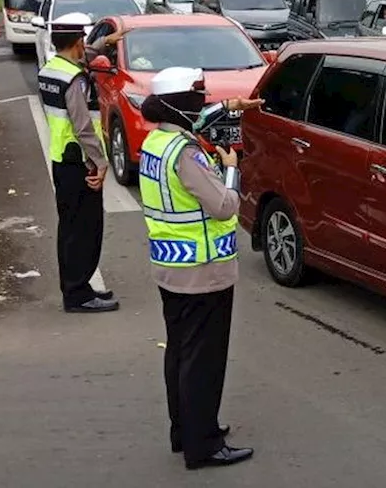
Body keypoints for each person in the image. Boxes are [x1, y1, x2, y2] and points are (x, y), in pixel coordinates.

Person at [138, 67, 262, 471]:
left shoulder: (159, 141)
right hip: (202, 271)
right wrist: (231, 166)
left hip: (171, 267)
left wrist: (230, 107)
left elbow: (200, 119)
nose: (202, 105)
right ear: (180, 105)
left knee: (180, 353)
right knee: (204, 362)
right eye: (197, 99)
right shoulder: (187, 154)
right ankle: (203, 445)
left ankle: (185, 430)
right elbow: (225, 206)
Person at [36, 13, 129, 313]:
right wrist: (100, 164)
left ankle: (77, 286)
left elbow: (83, 55)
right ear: (77, 42)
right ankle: (78, 295)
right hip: (80, 163)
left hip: (61, 160)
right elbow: (82, 126)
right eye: (83, 42)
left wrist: (103, 43)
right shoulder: (75, 80)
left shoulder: (51, 69)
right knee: (86, 231)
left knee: (70, 229)